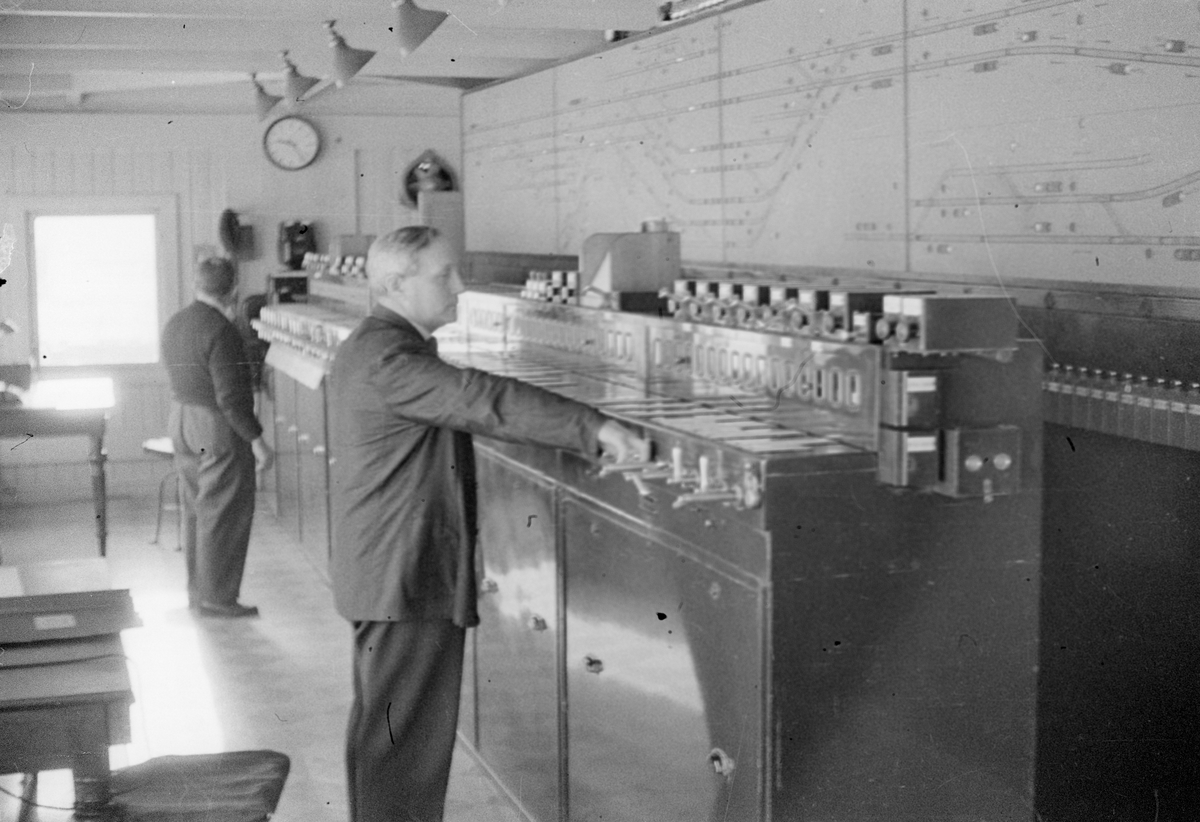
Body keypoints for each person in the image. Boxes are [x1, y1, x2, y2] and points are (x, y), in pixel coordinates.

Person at [328, 226, 648, 822]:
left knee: (388, 733)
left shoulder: (381, 345)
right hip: (404, 573)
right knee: (404, 745)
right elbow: (483, 398)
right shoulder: (391, 359)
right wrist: (595, 428)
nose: (460, 286)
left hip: (388, 568)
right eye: (443, 275)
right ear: (396, 284)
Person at [162, 257, 273, 618]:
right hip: (214, 426)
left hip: (181, 419)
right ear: (233, 289)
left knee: (197, 511)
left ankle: (200, 592)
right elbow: (232, 398)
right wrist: (257, 440)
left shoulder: (176, 322)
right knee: (224, 513)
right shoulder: (222, 330)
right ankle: (219, 598)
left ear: (197, 284)